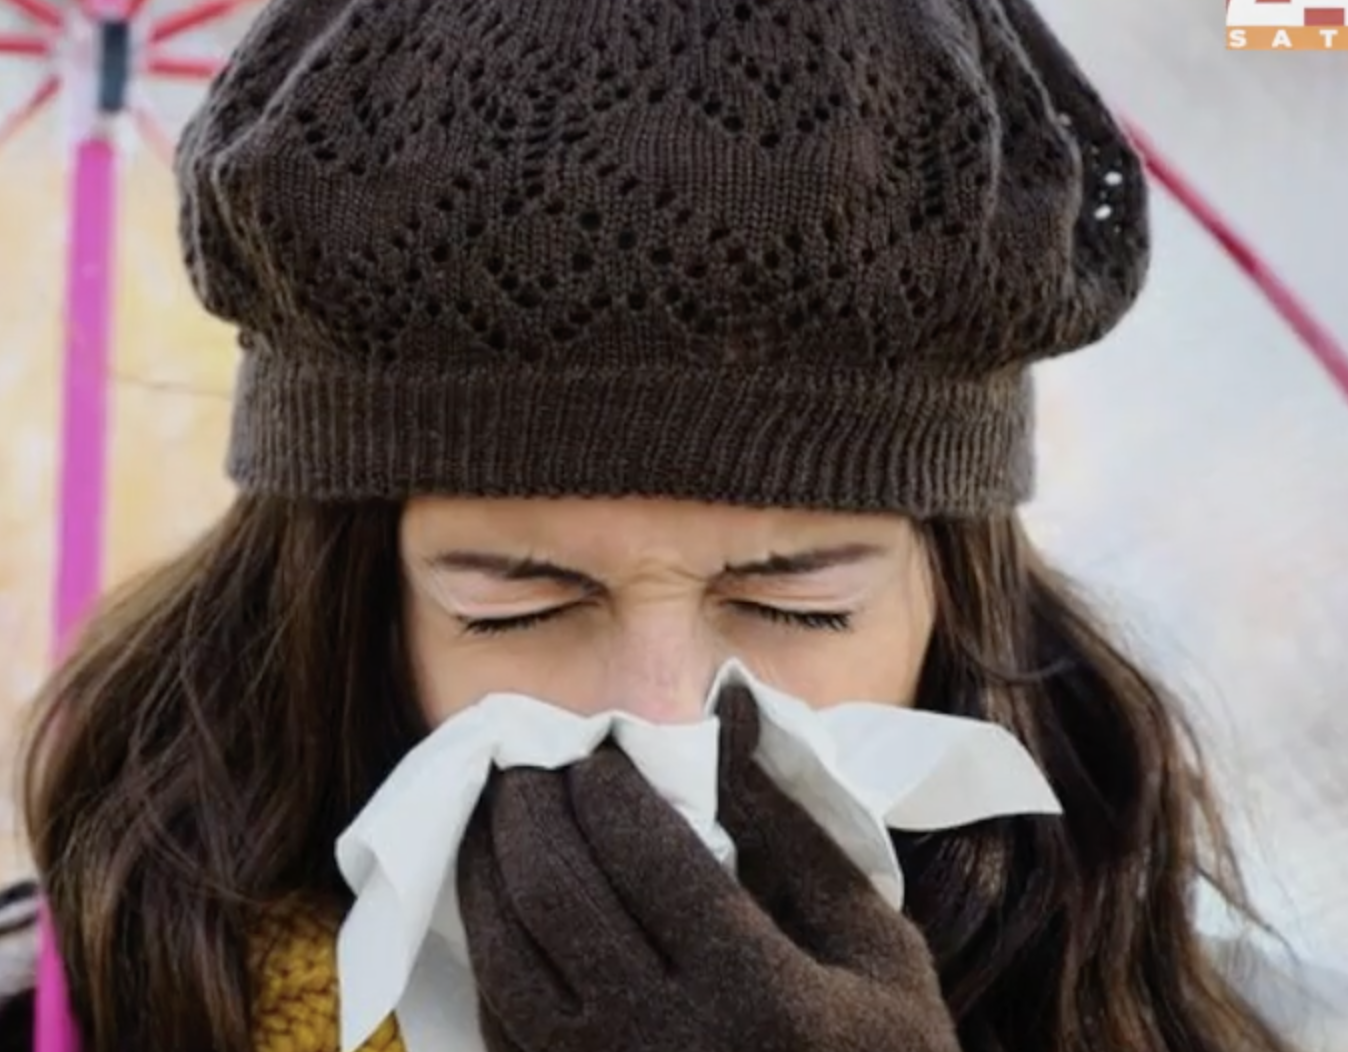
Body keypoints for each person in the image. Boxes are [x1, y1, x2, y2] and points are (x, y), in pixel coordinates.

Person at [0, 0, 1319, 1048]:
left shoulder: (1207, 1022)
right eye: (517, 602)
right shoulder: (75, 1013)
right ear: (352, 609)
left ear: (954, 600)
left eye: (800, 601)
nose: (664, 720)